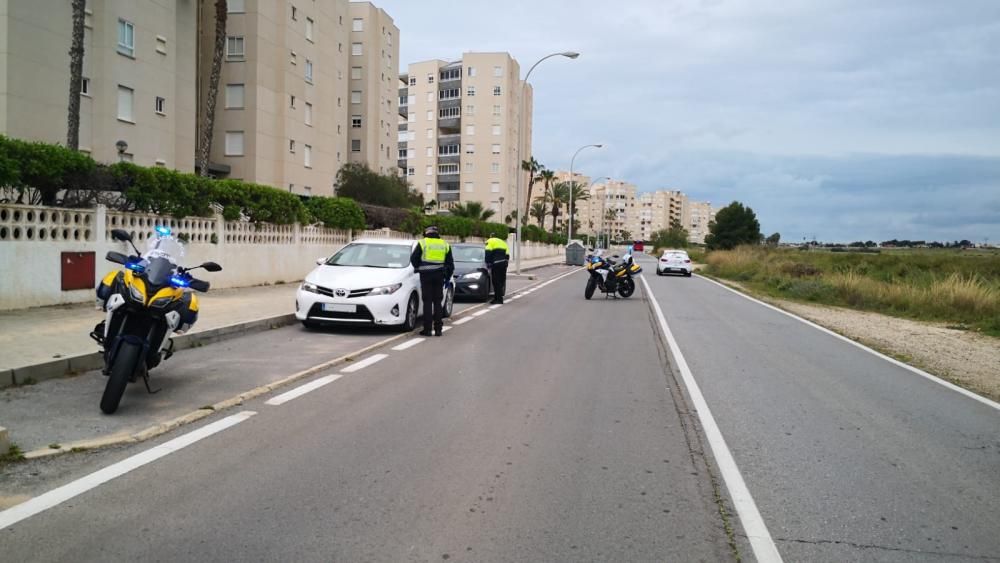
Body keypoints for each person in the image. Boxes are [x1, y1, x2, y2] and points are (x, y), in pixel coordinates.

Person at [410, 225, 454, 336]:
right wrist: (447, 278)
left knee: (427, 302)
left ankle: (428, 330)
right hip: (439, 276)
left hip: (426, 276)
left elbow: (413, 259)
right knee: (438, 302)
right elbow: (450, 264)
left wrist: (419, 267)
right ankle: (438, 330)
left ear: (426, 233)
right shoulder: (445, 244)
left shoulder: (423, 243)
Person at [484, 232, 509, 304]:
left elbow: (488, 253)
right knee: (501, 281)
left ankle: (498, 300)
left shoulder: (490, 241)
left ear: (491, 236)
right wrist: (506, 264)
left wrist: (488, 263)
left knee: (496, 281)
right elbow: (507, 255)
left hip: (496, 264)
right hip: (503, 264)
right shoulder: (503, 243)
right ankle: (497, 298)